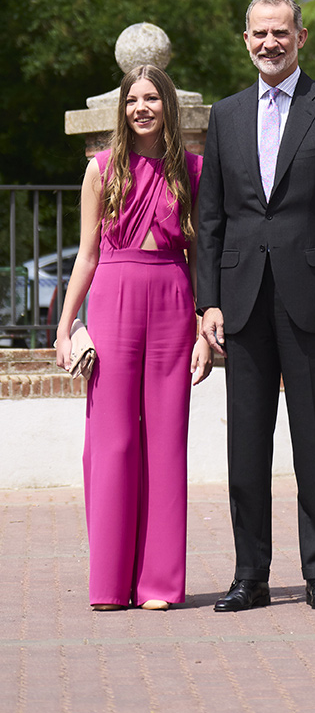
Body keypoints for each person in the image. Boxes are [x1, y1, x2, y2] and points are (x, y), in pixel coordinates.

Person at [197, 0, 315, 612]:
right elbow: (210, 217)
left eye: (280, 32)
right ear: (246, 40)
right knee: (246, 445)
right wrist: (207, 303)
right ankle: (251, 575)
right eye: (259, 33)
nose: (269, 43)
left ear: (302, 37)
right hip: (240, 303)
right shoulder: (227, 114)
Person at [56, 64, 212, 611]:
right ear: (122, 109)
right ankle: (110, 584)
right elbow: (88, 254)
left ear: (168, 105)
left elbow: (199, 256)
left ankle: (159, 584)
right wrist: (65, 325)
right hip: (114, 298)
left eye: (151, 98)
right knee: (113, 440)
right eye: (132, 100)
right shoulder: (101, 170)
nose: (141, 107)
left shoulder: (193, 171)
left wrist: (201, 328)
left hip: (172, 299)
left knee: (166, 441)